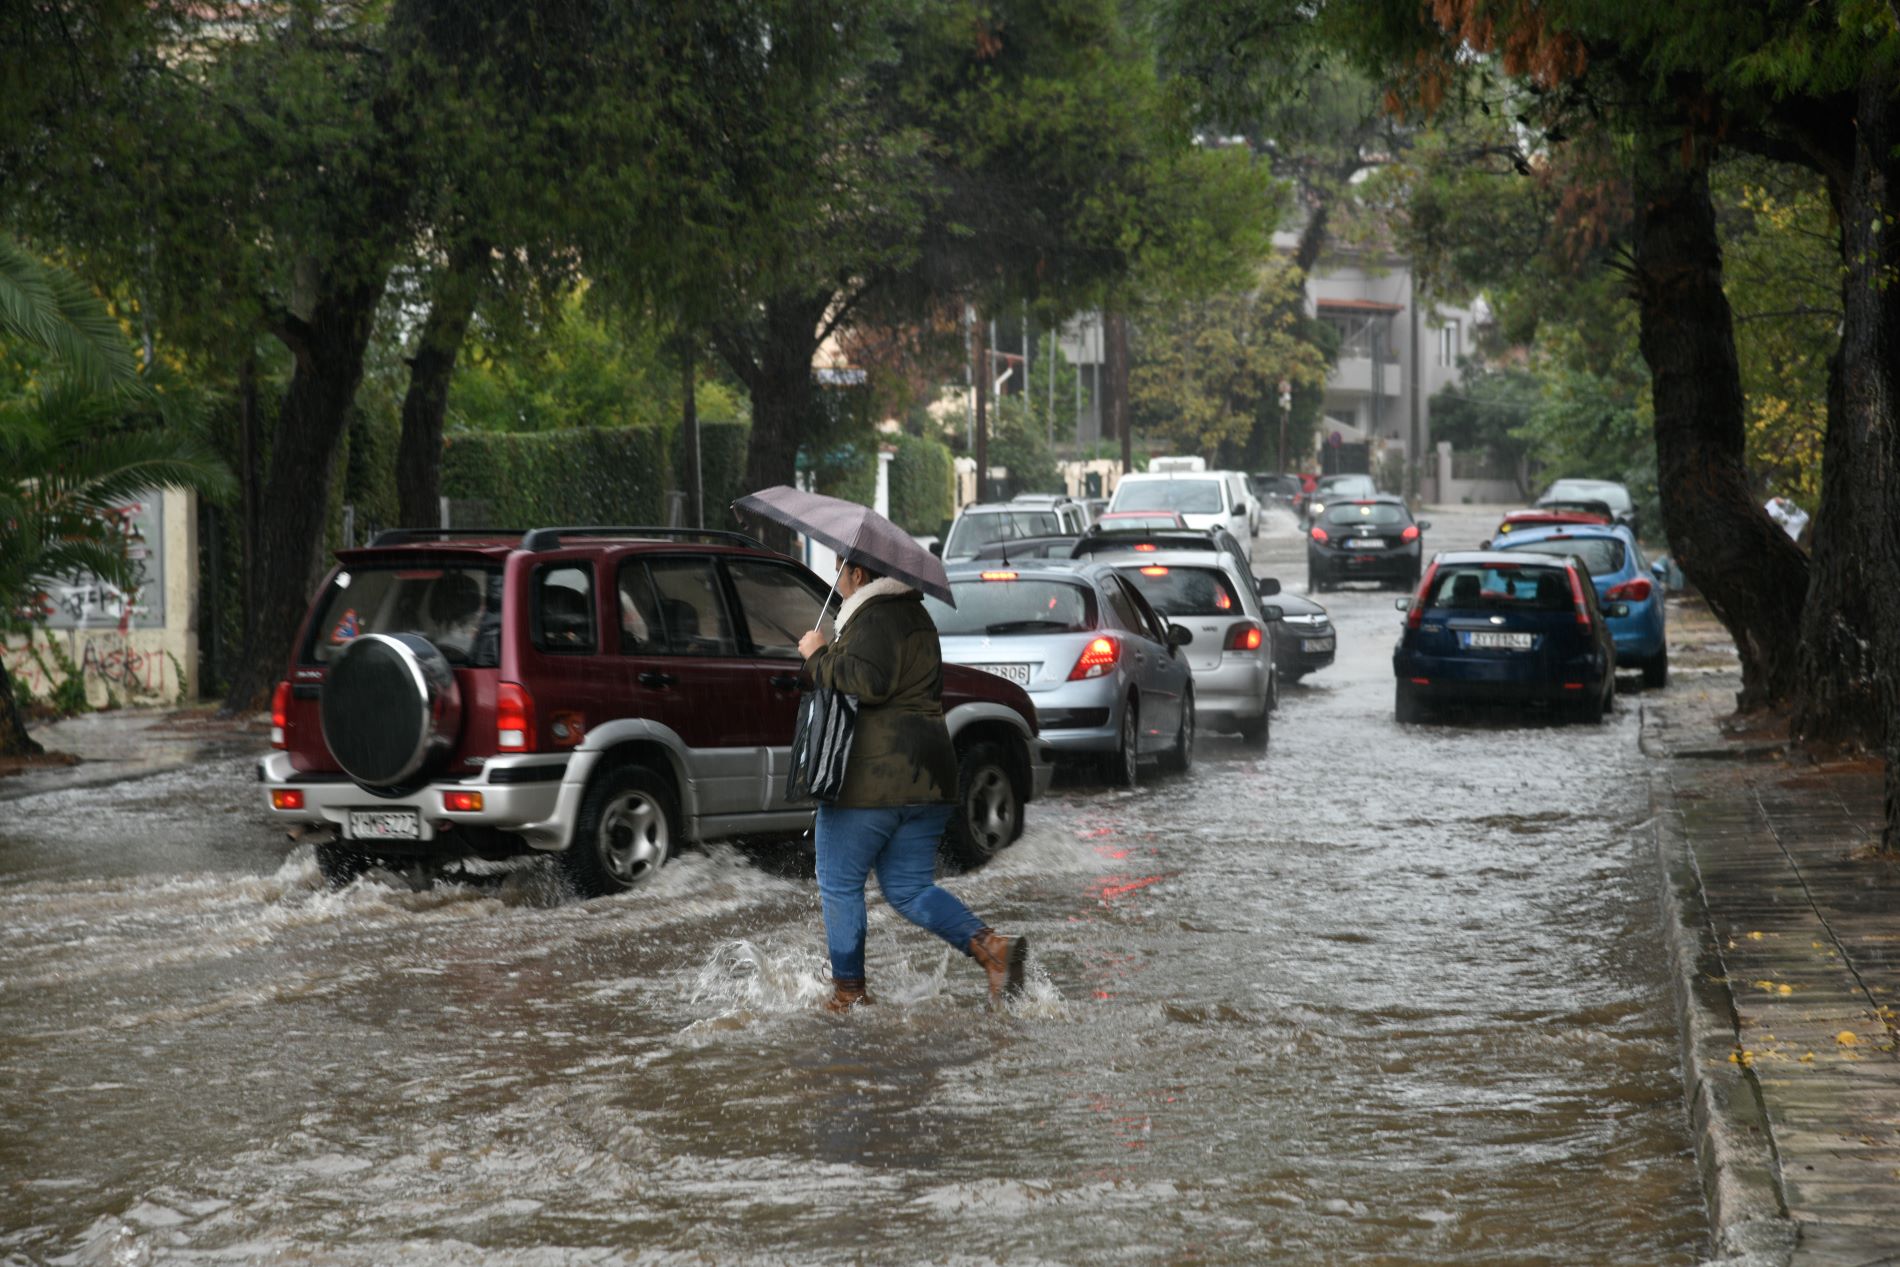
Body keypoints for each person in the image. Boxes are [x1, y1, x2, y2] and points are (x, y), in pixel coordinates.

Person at [797, 555, 1028, 1012]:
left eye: (840, 572)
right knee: (908, 889)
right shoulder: (917, 616)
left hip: (872, 777)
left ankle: (848, 994)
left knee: (839, 883)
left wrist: (817, 656)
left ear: (858, 575)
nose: (837, 583)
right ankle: (992, 950)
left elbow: (868, 682)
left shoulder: (872, 617)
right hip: (928, 774)